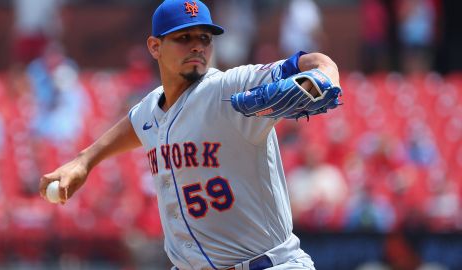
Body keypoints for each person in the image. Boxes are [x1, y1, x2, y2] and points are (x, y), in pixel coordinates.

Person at [39, 0, 341, 269]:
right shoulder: (151, 108)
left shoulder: (229, 87)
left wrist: (323, 76)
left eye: (204, 38)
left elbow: (318, 63)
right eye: (184, 38)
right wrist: (84, 161)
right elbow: (134, 124)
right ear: (155, 47)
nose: (197, 46)